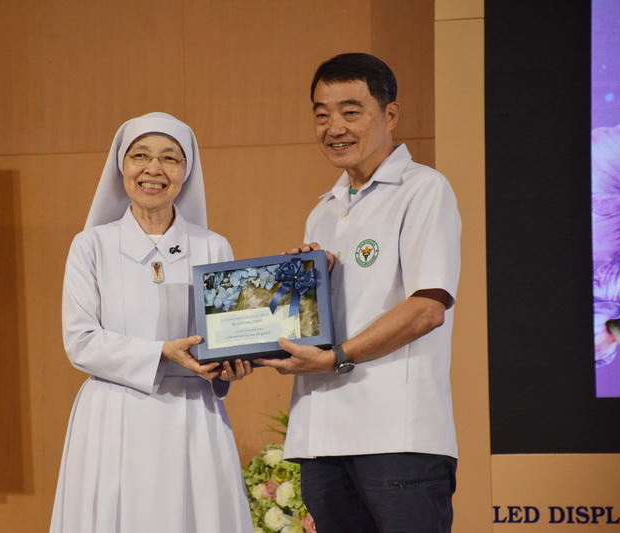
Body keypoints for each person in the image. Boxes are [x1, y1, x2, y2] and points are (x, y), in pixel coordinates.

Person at [256, 53, 462, 532]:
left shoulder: (423, 189)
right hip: (321, 438)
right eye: (321, 114)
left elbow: (428, 308)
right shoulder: (323, 211)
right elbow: (322, 323)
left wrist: (336, 357)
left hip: (397, 436)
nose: (334, 128)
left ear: (389, 115)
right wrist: (309, 289)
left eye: (351, 111)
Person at [50, 112, 254, 533]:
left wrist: (231, 366)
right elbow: (80, 341)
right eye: (140, 156)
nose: (153, 169)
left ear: (187, 170)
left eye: (170, 158)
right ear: (121, 166)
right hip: (113, 412)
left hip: (193, 412)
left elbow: (224, 337)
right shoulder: (91, 245)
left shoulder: (213, 246)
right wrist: (162, 352)